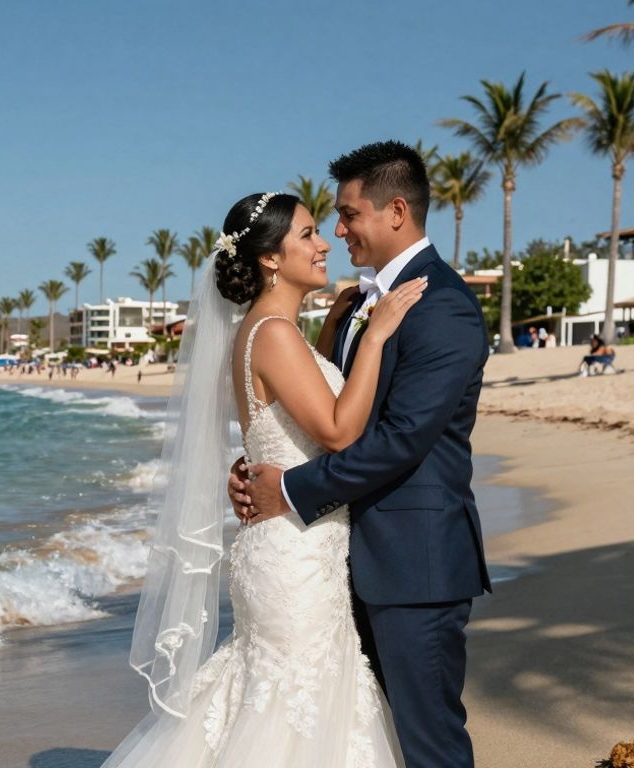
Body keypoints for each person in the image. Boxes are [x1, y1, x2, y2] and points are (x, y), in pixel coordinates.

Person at [106, 185, 429, 767]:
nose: (325, 241)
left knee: (284, 706)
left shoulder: (268, 332)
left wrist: (334, 327)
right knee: (291, 711)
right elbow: (336, 432)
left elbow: (292, 412)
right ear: (270, 258)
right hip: (294, 557)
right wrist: (377, 333)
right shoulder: (274, 335)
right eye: (307, 234)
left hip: (295, 548)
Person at [233, 141, 491, 768]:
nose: (337, 231)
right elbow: (314, 416)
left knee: (428, 741)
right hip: (342, 560)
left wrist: (289, 489)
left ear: (395, 211)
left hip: (415, 564)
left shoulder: (443, 308)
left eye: (347, 215)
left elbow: (401, 438)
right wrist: (253, 467)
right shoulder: (355, 306)